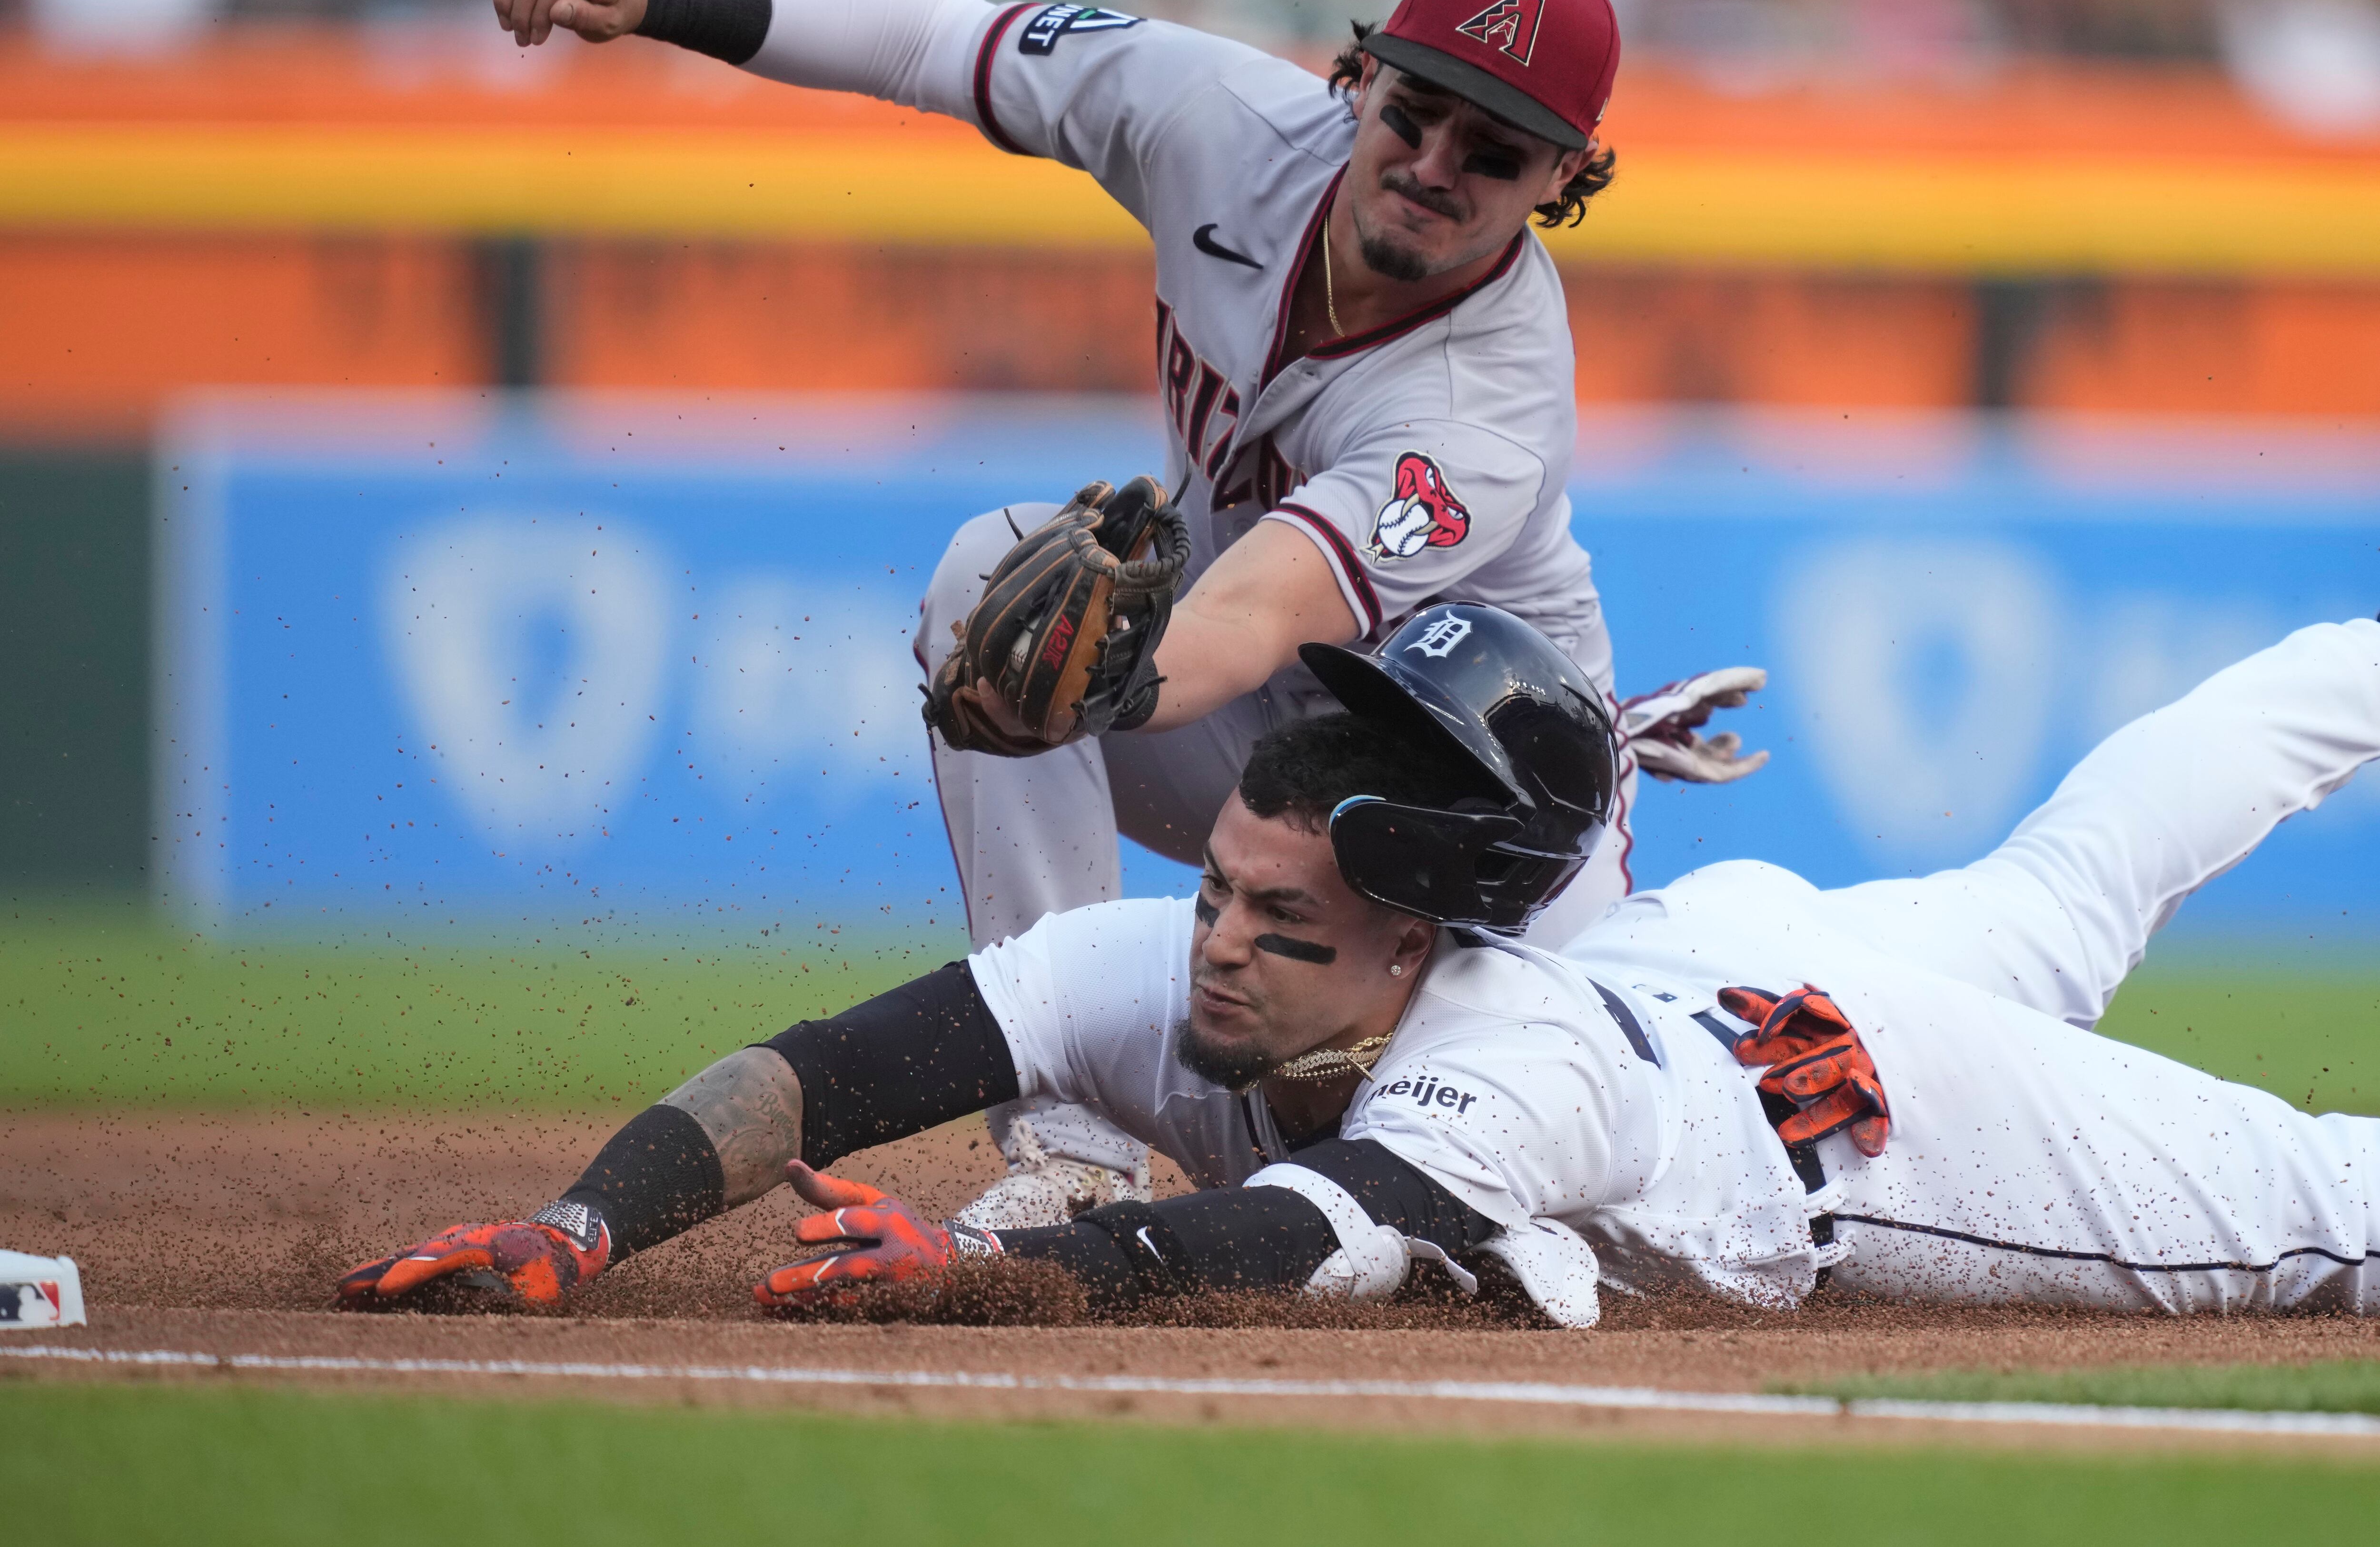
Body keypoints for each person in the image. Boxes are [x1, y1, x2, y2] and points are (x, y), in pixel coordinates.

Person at [478, 0, 1769, 1225]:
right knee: (995, 577)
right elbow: (939, 39)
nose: (1435, 164)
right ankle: (1072, 1150)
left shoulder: (1485, 400)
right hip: (1275, 743)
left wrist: (1105, 684)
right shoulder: (1216, 120)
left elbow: (1257, 612)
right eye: (1414, 111)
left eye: (1493, 151)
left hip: (1492, 832)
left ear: (1567, 177)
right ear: (1361, 77)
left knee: (1569, 1211)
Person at [340, 605, 2380, 1324]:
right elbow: (839, 1063)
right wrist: (583, 1222)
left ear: (1414, 950)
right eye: (1220, 890)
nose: (1215, 948)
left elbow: (1294, 1242)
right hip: (1727, 955)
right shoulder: (1217, 951)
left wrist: (984, 1272)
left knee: (2334, 1212)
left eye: (1278, 925)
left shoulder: (1502, 1065)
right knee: (2062, 881)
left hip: (1861, 1119)